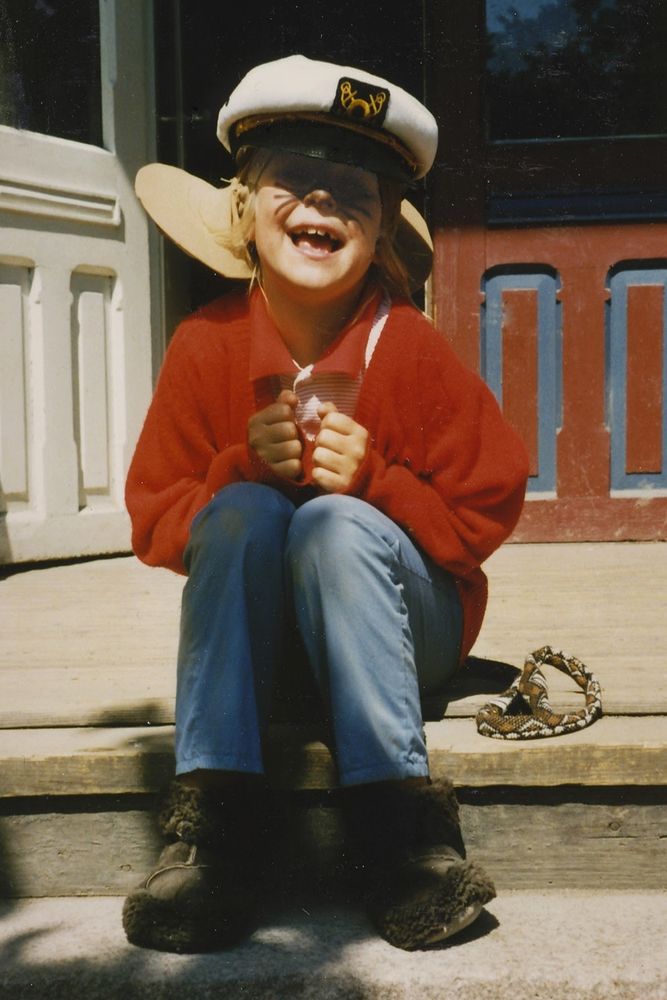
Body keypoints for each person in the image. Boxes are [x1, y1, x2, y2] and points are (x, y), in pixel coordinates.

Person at [122, 54, 529, 954]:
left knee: (336, 521)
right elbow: (154, 517)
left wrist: (378, 483)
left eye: (354, 190)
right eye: (292, 181)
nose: (322, 203)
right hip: (271, 650)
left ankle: (399, 830)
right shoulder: (205, 343)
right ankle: (216, 826)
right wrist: (238, 467)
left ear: (383, 228)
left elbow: (482, 517)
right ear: (243, 208)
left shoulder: (411, 348)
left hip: (400, 633)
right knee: (240, 510)